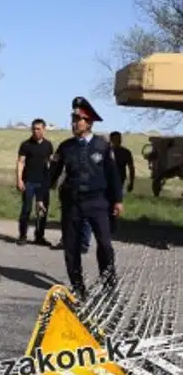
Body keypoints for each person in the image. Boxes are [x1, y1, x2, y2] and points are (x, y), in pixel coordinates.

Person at [44, 97, 123, 301]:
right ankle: (78, 288)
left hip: (98, 202)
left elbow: (113, 175)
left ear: (88, 123)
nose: (73, 123)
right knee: (71, 246)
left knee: (105, 245)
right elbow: (52, 175)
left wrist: (117, 200)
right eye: (72, 119)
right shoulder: (65, 147)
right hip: (72, 202)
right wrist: (42, 198)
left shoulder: (102, 147)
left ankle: (108, 285)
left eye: (77, 119)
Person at [15, 118, 54, 246]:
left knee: (42, 210)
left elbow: (50, 164)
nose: (36, 131)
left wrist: (50, 181)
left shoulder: (48, 145)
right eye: (34, 129)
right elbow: (21, 162)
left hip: (43, 183)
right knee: (26, 209)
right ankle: (22, 235)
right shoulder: (26, 144)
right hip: (29, 182)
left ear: (44, 129)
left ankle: (39, 236)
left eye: (38, 129)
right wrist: (19, 180)